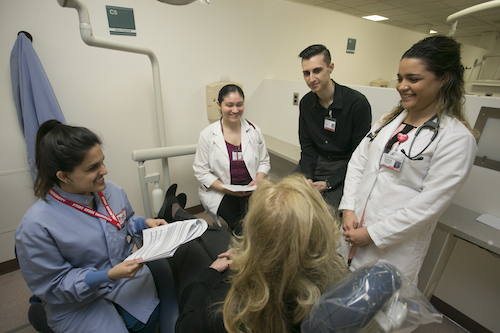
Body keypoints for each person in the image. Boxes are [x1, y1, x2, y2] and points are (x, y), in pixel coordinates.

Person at [339, 36, 478, 284]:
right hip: (352, 231)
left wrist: (372, 234)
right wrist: (348, 208)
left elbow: (428, 206)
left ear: (443, 79)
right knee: (337, 303)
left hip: (391, 248)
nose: (402, 86)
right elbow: (358, 162)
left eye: (413, 79)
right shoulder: (388, 121)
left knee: (375, 316)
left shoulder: (456, 138)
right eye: (400, 78)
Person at [15, 120, 169, 333]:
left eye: (102, 162)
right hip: (78, 302)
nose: (104, 170)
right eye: (93, 167)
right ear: (64, 176)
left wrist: (144, 223)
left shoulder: (113, 191)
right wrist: (107, 276)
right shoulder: (36, 226)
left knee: (157, 318)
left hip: (128, 281)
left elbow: (124, 221)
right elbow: (54, 285)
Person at [173, 174, 349, 333]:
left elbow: (184, 327)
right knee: (216, 235)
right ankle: (177, 211)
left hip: (210, 290)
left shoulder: (225, 307)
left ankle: (174, 213)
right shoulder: (339, 279)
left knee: (190, 251)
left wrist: (210, 273)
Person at [296, 44, 372, 210]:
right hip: (316, 160)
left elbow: (359, 155)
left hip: (344, 166)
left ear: (330, 68)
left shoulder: (357, 104)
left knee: (324, 213)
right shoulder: (306, 103)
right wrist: (307, 177)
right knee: (287, 202)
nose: (311, 78)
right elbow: (307, 146)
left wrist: (328, 184)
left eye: (317, 71)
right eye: (306, 73)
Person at [193, 84, 270, 234]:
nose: (235, 110)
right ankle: (239, 250)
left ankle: (241, 244)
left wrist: (259, 180)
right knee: (239, 222)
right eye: (229, 105)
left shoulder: (254, 130)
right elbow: (201, 171)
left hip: (250, 187)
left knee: (254, 220)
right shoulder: (208, 135)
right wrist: (226, 189)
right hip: (221, 190)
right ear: (219, 105)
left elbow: (264, 161)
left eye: (239, 105)